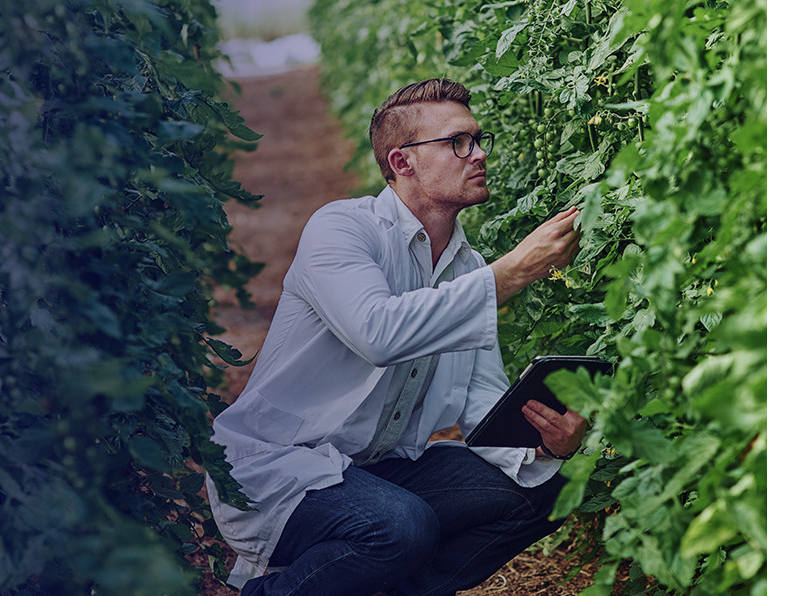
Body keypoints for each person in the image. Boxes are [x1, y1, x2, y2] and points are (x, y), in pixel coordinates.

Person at [204, 78, 588, 596]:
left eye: (477, 139)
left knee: (549, 489)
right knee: (400, 526)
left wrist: (545, 446)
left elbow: (480, 396)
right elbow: (378, 332)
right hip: (280, 467)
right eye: (457, 142)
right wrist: (513, 271)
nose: (477, 154)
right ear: (402, 162)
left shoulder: (465, 267)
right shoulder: (340, 229)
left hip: (378, 471)